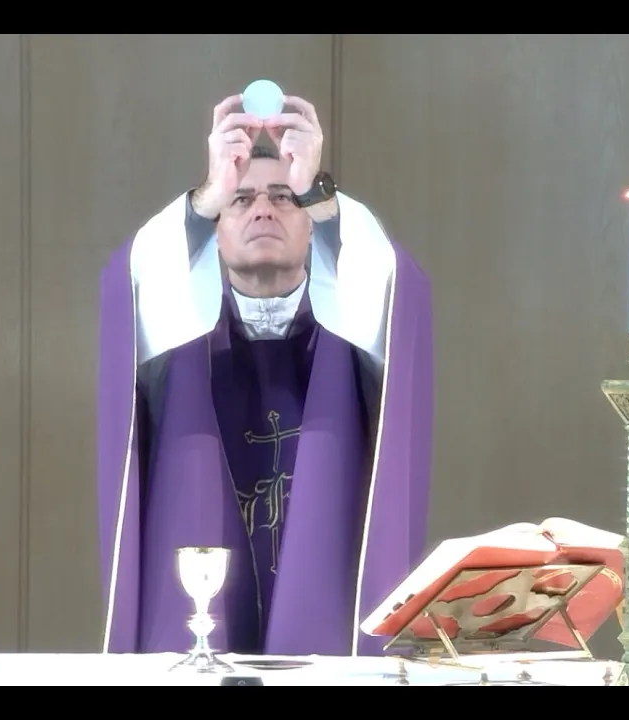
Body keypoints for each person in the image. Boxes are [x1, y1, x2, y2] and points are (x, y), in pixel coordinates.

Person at [96, 93, 433, 657]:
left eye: (284, 197)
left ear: (313, 225)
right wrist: (204, 196)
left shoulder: (354, 331)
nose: (263, 211)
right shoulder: (174, 334)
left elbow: (397, 289)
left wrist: (318, 191)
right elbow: (129, 284)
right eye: (241, 199)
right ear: (214, 229)